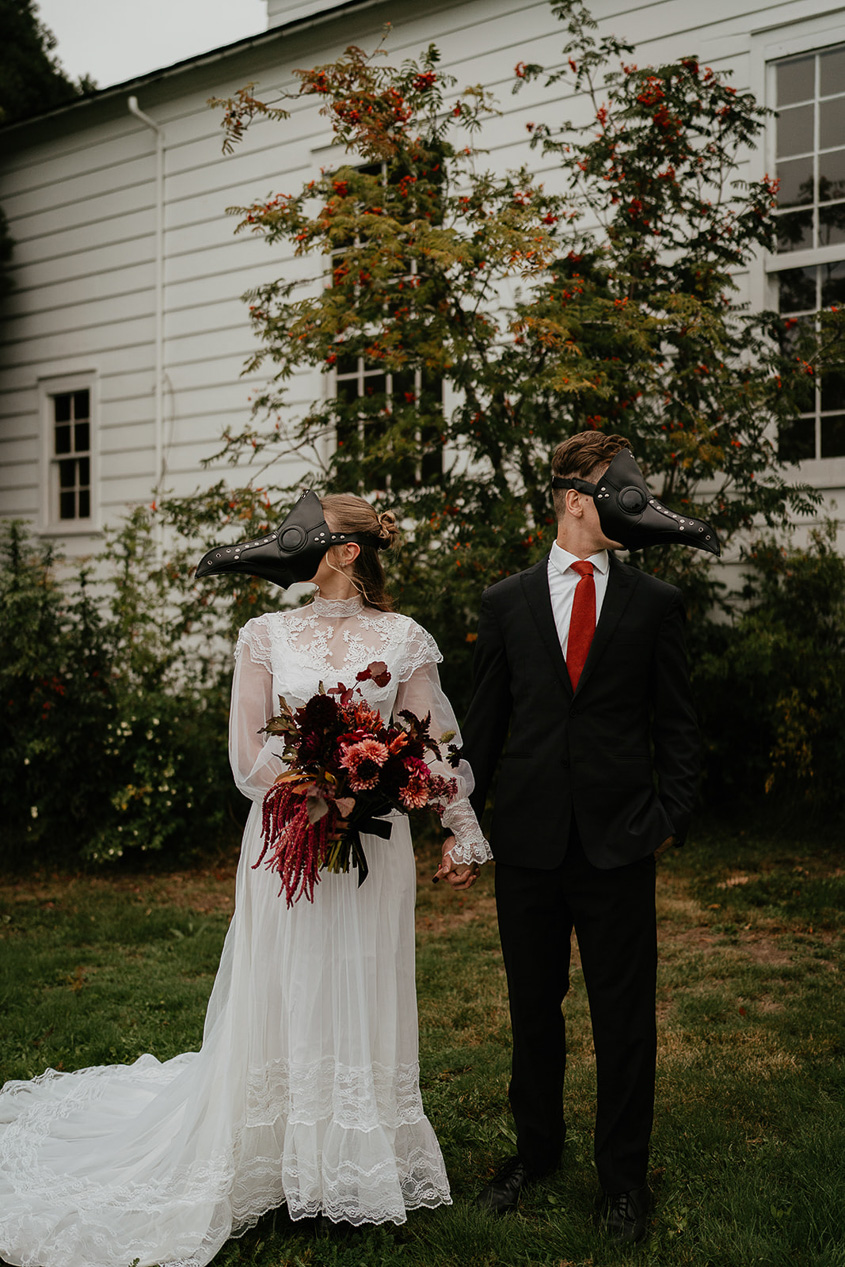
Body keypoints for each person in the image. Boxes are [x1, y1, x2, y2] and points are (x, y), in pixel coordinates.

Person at [0, 491, 490, 1267]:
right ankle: (277, 1153)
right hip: (288, 836)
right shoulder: (263, 633)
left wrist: (462, 831)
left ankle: (354, 1160)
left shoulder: (403, 638)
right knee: (287, 981)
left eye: (310, 534)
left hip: (375, 845)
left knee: (362, 979)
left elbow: (432, 744)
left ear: (346, 551)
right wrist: (319, 789)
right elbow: (247, 753)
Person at [439, 431, 707, 1243]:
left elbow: (681, 729)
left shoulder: (654, 602)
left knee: (623, 1018)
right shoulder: (506, 600)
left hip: (619, 842)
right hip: (526, 841)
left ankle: (622, 1181)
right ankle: (534, 1153)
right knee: (532, 1010)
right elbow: (481, 728)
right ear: (572, 497)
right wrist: (459, 823)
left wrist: (666, 820)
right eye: (613, 485)